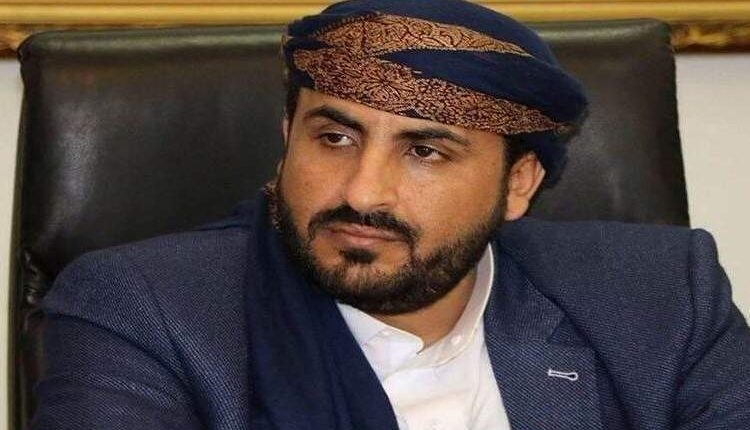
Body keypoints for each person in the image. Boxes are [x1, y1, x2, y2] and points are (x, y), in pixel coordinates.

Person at [32, 0, 750, 429]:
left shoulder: (661, 298)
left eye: (425, 151)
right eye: (334, 138)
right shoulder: (142, 312)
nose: (364, 192)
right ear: (287, 139)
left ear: (518, 184)